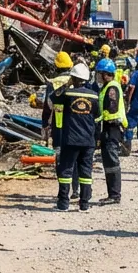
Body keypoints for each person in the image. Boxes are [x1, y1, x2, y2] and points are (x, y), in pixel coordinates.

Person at [52, 62, 100, 212]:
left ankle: (63, 203)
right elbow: (97, 118)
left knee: (66, 171)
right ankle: (84, 204)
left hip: (70, 140)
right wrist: (96, 138)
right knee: (86, 172)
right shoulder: (94, 96)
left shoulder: (67, 94)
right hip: (88, 141)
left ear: (74, 78)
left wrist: (67, 84)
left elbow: (53, 97)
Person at [95, 58, 128, 204]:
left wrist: (96, 120)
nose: (98, 76)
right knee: (108, 161)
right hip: (109, 127)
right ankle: (112, 194)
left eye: (99, 73)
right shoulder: (108, 86)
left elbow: (112, 110)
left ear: (105, 74)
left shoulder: (112, 88)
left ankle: (115, 195)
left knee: (112, 161)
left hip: (112, 127)